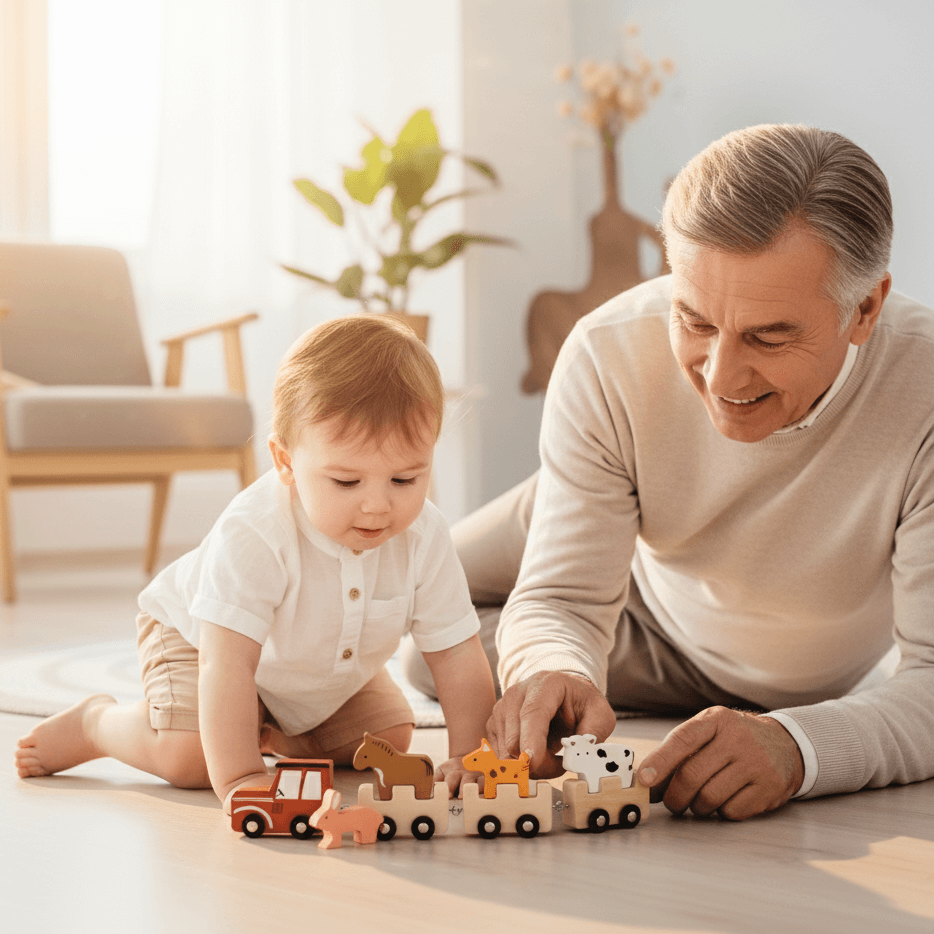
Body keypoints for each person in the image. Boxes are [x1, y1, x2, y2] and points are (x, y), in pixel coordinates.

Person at [405, 123, 934, 821]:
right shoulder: (610, 351)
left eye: (768, 336)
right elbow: (562, 597)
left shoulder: (922, 390)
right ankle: (587, 496)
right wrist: (552, 673)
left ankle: (596, 501)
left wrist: (799, 745)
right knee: (415, 598)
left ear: (864, 309)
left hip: (667, 639)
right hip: (643, 547)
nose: (720, 377)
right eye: (694, 320)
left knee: (438, 648)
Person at [15, 314, 496, 809]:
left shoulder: (424, 535)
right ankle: (98, 724)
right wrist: (241, 776)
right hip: (200, 639)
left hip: (312, 665)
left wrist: (471, 755)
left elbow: (457, 654)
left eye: (405, 480)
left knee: (387, 738)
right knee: (192, 760)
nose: (378, 506)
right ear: (286, 462)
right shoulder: (255, 533)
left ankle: (271, 732)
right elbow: (226, 662)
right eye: (347, 483)